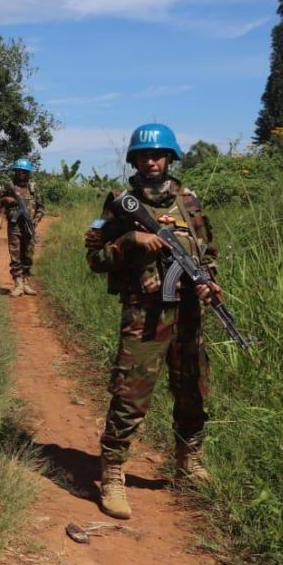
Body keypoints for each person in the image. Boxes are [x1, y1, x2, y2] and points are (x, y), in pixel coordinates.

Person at [84, 123, 219, 520]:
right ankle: (112, 473)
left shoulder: (189, 201)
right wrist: (130, 242)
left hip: (189, 314)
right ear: (134, 160)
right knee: (130, 394)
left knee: (193, 387)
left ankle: (188, 461)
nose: (151, 161)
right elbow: (94, 258)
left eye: (158, 155)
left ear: (170, 158)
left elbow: (207, 251)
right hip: (145, 315)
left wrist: (209, 282)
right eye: (144, 155)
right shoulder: (120, 204)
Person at [0, 158, 44, 296]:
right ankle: (18, 284)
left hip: (29, 226)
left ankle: (25, 282)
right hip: (14, 225)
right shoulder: (8, 187)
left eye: (24, 172)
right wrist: (6, 200)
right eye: (18, 171)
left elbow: (41, 208)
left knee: (28, 254)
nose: (21, 174)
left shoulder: (33, 188)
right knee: (15, 254)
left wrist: (35, 220)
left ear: (28, 173)